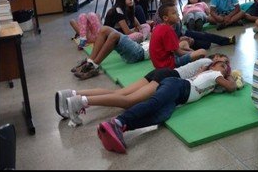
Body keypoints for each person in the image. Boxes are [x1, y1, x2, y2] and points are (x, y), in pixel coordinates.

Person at [97, 55, 237, 154]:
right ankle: (118, 122)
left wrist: (226, 75)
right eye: (223, 66)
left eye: (227, 69)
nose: (225, 69)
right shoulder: (214, 74)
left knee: (160, 116)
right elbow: (231, 87)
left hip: (178, 98)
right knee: (154, 104)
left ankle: (122, 128)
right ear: (213, 65)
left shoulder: (212, 81)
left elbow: (222, 89)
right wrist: (232, 76)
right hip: (178, 86)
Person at [56, 54, 231, 125]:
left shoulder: (207, 67)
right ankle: (81, 102)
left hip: (163, 73)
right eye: (223, 63)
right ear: (215, 61)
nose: (225, 67)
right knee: (128, 102)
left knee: (120, 94)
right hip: (168, 78)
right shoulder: (208, 66)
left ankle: (72, 95)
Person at [154, 0, 235, 50]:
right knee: (206, 44)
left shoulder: (170, 14)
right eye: (174, 11)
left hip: (182, 33)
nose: (177, 13)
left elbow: (179, 27)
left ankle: (226, 40)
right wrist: (182, 40)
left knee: (204, 35)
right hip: (178, 40)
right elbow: (168, 42)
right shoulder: (162, 23)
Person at [70, 26, 147, 80]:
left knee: (114, 36)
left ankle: (93, 66)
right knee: (104, 29)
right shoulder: (121, 10)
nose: (131, 1)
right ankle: (90, 61)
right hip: (141, 46)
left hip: (140, 52)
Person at [150, 4, 207, 69]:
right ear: (165, 18)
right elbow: (179, 53)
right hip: (168, 64)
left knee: (184, 43)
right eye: (174, 13)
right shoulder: (168, 30)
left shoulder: (159, 27)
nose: (178, 15)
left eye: (177, 12)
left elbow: (173, 48)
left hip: (160, 63)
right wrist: (193, 52)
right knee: (202, 52)